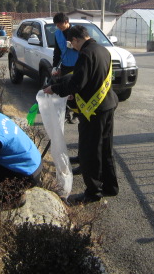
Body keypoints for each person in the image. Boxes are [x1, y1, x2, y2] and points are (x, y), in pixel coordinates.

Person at [43, 24, 119, 204]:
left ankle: (93, 192)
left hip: (93, 111)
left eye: (72, 43)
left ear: (76, 40)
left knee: (89, 151)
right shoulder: (103, 50)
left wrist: (55, 88)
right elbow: (98, 78)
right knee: (105, 148)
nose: (72, 47)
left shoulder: (85, 54)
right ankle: (110, 187)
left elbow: (77, 83)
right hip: (107, 104)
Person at [51, 13, 80, 123]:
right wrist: (55, 66)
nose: (58, 27)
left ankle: (77, 114)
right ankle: (66, 114)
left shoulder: (76, 31)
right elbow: (57, 52)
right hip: (65, 66)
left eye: (60, 24)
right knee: (65, 91)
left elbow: (85, 47)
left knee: (76, 91)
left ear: (66, 22)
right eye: (57, 25)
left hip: (77, 65)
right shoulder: (57, 33)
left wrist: (74, 47)